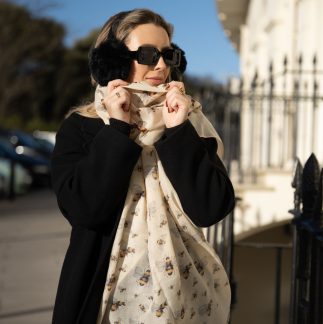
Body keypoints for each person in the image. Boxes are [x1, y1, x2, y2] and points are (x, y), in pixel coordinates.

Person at [51, 8, 235, 324]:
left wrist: (178, 130)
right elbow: (85, 209)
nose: (161, 65)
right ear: (113, 61)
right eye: (148, 54)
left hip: (184, 301)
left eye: (168, 54)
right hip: (102, 301)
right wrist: (118, 129)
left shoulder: (188, 122)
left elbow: (211, 208)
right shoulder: (82, 128)